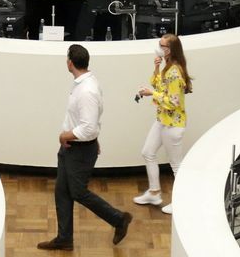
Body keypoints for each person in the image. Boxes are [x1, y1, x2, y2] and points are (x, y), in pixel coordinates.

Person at [37, 44, 132, 251]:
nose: (66, 61)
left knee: (78, 192)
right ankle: (64, 238)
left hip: (79, 149)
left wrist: (65, 135)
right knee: (62, 191)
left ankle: (118, 219)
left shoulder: (87, 90)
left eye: (66, 58)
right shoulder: (85, 83)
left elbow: (88, 127)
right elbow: (92, 120)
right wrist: (90, 137)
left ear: (70, 62)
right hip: (74, 147)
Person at [133, 33, 192, 214]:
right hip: (162, 120)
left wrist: (152, 94)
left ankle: (182, 201)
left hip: (173, 125)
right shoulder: (168, 67)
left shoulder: (175, 71)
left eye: (163, 45)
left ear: (171, 50)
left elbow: (174, 102)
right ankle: (154, 192)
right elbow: (159, 85)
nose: (159, 47)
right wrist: (156, 68)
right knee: (148, 152)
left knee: (176, 164)